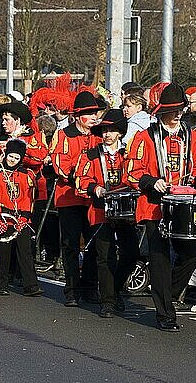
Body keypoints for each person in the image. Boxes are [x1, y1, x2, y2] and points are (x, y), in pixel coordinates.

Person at [125, 83, 196, 332]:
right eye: (172, 110)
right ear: (162, 112)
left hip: (184, 204)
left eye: (180, 109)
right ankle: (165, 314)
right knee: (159, 258)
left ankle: (166, 292)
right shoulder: (145, 137)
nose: (177, 115)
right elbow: (132, 172)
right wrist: (152, 182)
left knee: (191, 255)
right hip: (154, 205)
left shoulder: (193, 135)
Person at [75, 109, 138, 318]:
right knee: (105, 257)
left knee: (131, 253)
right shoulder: (91, 154)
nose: (107, 134)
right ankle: (108, 301)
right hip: (101, 211)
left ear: (120, 132)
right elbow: (81, 179)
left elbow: (136, 175)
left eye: (111, 130)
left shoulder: (128, 153)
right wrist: (95, 188)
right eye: (104, 130)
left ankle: (116, 288)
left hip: (126, 212)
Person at [50, 90, 102, 306]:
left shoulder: (99, 135)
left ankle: (90, 286)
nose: (94, 117)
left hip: (92, 198)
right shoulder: (63, 135)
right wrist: (82, 177)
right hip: (70, 197)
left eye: (95, 113)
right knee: (71, 244)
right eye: (89, 114)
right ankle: (71, 289)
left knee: (93, 243)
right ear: (79, 115)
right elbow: (60, 164)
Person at [0, 138, 43, 296]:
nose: (12, 160)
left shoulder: (27, 174)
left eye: (16, 158)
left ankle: (31, 285)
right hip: (3, 216)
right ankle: (1, 284)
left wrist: (24, 217)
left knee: (25, 251)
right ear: (5, 154)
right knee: (4, 251)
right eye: (10, 156)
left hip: (21, 217)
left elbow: (29, 198)